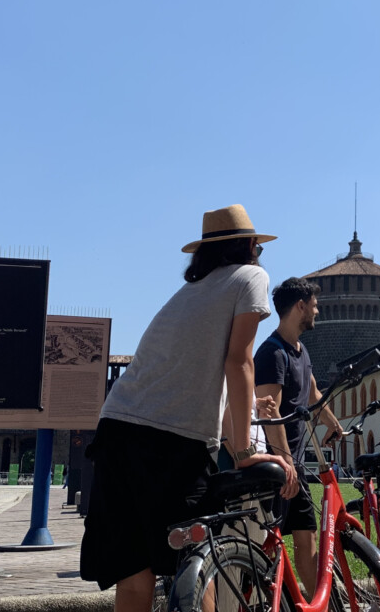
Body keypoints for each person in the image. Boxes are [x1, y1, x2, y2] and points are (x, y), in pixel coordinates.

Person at [79, 205, 298, 612]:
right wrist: (247, 453)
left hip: (116, 428)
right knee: (198, 564)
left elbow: (206, 377)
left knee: (134, 576)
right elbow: (238, 362)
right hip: (172, 441)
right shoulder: (251, 276)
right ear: (251, 245)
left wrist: (238, 440)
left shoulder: (187, 295)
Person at [254, 277, 342, 598]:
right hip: (276, 467)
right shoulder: (271, 354)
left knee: (307, 539)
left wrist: (333, 423)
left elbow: (313, 391)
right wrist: (285, 462)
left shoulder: (300, 352)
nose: (317, 311)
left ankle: (314, 604)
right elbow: (268, 411)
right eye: (314, 305)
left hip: (295, 466)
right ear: (300, 306)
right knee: (268, 546)